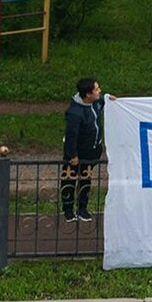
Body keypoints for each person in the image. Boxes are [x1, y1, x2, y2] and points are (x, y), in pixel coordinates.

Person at [61, 77, 105, 223]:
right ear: (88, 94)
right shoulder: (75, 113)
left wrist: (109, 98)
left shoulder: (96, 102)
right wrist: (72, 155)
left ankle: (82, 208)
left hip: (91, 151)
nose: (100, 91)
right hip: (77, 152)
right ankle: (68, 210)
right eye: (97, 89)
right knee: (70, 179)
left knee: (86, 179)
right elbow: (71, 135)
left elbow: (103, 100)